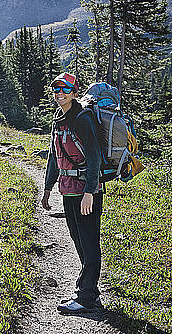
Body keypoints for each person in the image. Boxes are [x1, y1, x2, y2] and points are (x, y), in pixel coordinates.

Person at [41, 72, 104, 314]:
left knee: (89, 243)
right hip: (68, 191)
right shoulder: (59, 119)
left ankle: (85, 297)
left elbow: (95, 156)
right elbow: (54, 157)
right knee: (79, 240)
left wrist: (90, 192)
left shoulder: (82, 118)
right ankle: (91, 293)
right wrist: (47, 188)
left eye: (65, 89)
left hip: (86, 192)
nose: (60, 93)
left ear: (74, 92)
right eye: (56, 89)